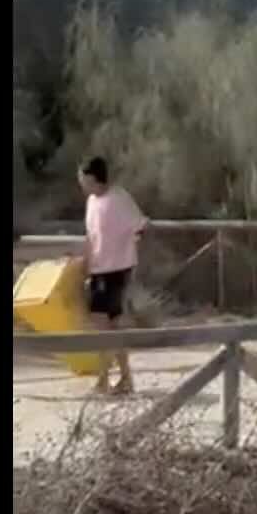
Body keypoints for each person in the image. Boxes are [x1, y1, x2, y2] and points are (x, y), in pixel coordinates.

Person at [78, 157, 146, 395]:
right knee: (112, 325)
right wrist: (85, 264)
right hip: (98, 269)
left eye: (84, 178)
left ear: (94, 177)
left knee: (102, 324)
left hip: (116, 269)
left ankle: (104, 378)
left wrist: (127, 247)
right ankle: (123, 378)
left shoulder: (119, 198)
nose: (81, 183)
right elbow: (91, 235)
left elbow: (140, 226)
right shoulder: (91, 202)